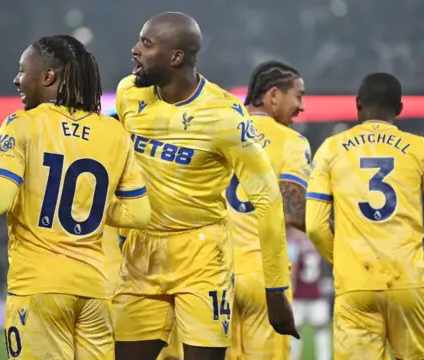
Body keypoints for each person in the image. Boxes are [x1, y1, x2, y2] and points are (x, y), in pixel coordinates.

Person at [0, 35, 151, 360]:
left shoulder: (22, 125)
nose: (16, 79)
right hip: (95, 292)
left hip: (39, 289)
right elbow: (140, 215)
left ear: (48, 77)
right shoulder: (113, 133)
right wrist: (92, 205)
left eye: (22, 70)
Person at [114, 12, 298, 360]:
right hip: (141, 252)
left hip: (200, 254)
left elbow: (268, 200)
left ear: (176, 57)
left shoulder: (224, 115)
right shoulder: (128, 95)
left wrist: (275, 290)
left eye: (147, 43)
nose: (135, 49)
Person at [306, 72, 424, 360]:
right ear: (400, 109)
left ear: (358, 104)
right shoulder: (420, 148)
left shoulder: (330, 149)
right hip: (408, 281)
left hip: (355, 283)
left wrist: (341, 259)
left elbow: (315, 227)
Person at [224, 61, 310, 360]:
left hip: (211, 274)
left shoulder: (218, 132)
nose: (301, 107)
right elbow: (294, 210)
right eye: (298, 96)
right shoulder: (291, 142)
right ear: (273, 95)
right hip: (264, 278)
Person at [288, 231, 331, 360]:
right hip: (317, 294)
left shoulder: (294, 242)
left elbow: (292, 270)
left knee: (294, 332)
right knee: (322, 331)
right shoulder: (318, 241)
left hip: (298, 295)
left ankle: (293, 357)